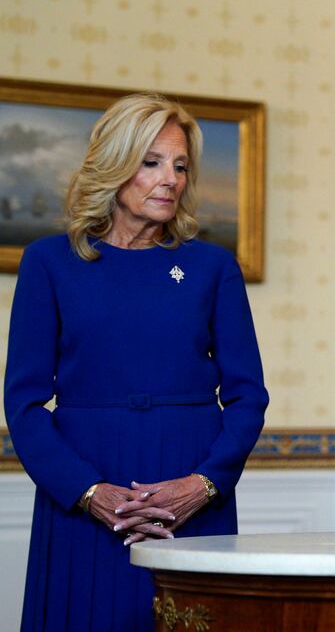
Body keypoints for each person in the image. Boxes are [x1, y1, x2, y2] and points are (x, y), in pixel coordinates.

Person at [5, 93, 269, 631]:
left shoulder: (212, 267)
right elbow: (25, 402)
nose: (169, 179)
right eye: (151, 163)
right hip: (82, 490)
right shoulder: (49, 263)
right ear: (114, 164)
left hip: (192, 492)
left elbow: (247, 395)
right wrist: (86, 491)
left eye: (179, 166)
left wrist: (204, 484)